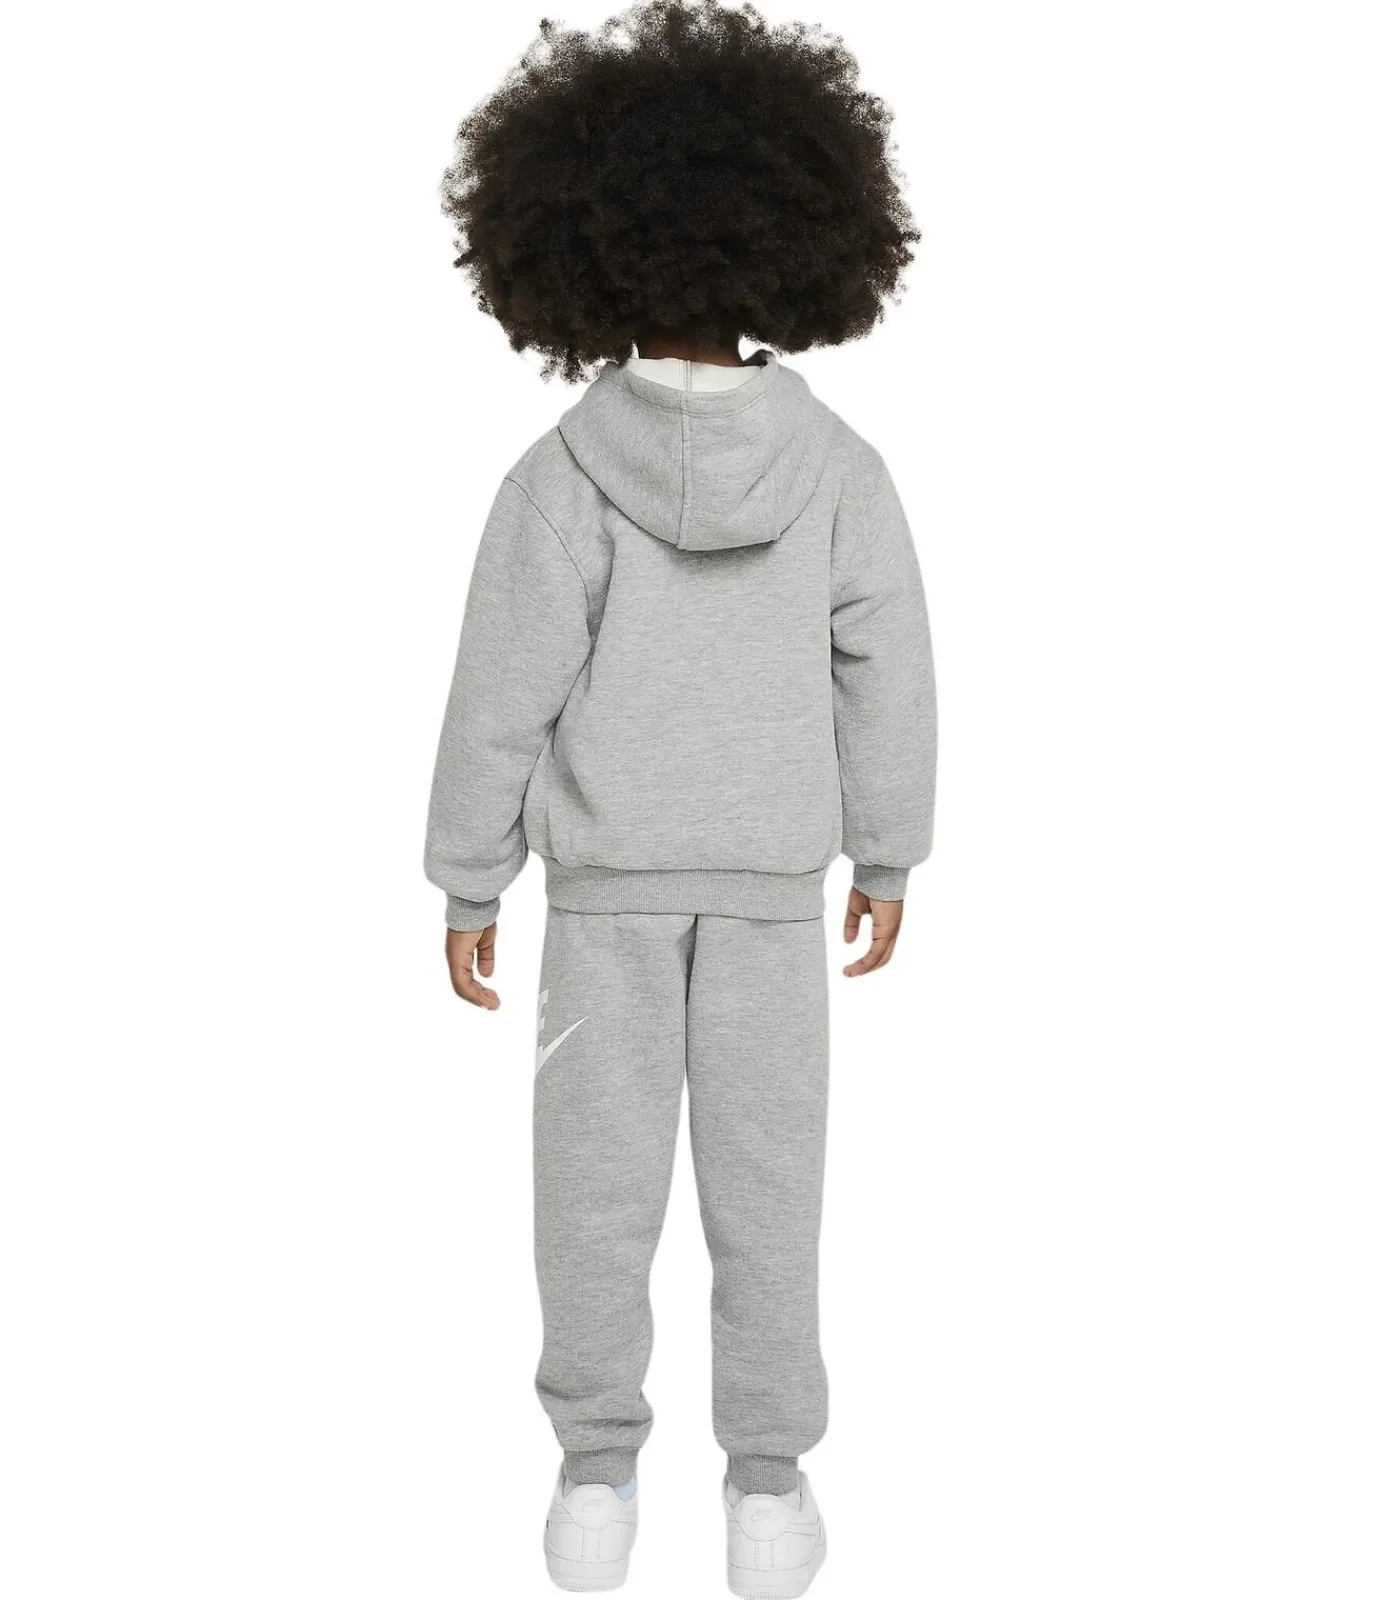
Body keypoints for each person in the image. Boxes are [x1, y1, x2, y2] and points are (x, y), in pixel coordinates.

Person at [425, 4, 935, 1592]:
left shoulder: (561, 477)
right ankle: (769, 1491)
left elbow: (500, 688)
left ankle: (595, 1476)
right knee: (771, 1195)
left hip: (606, 901)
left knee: (592, 1195)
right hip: (775, 892)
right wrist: (889, 854)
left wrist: (467, 876)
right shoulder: (842, 471)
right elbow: (890, 674)